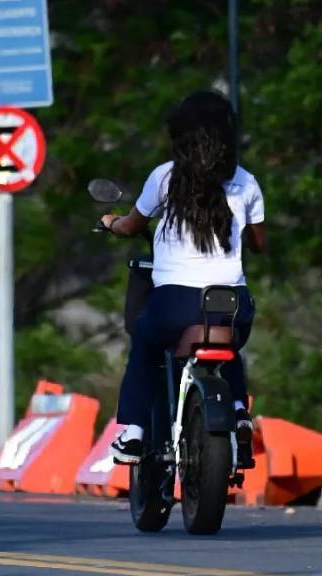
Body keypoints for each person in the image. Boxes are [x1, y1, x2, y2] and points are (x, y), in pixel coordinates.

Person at [100, 90, 266, 465]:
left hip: (175, 302)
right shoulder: (246, 183)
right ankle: (239, 411)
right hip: (230, 303)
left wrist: (110, 222)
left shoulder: (165, 178)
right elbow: (258, 243)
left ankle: (135, 433)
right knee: (231, 349)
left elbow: (131, 226)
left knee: (144, 342)